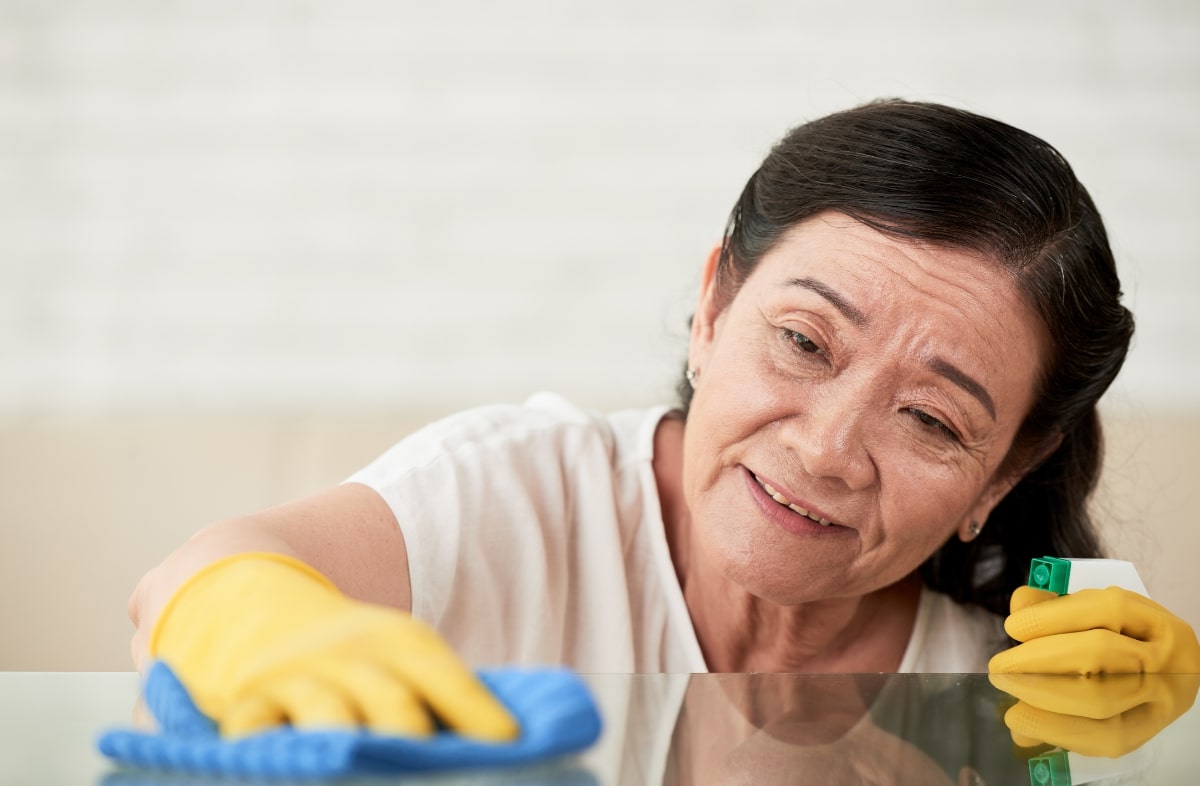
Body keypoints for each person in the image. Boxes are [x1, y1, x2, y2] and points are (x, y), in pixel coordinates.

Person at [127, 99, 1200, 743]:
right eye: (804, 342)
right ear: (714, 309)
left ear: (1006, 474)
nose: (826, 449)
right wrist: (250, 621)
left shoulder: (1002, 693)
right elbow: (205, 572)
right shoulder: (521, 492)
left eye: (928, 418)